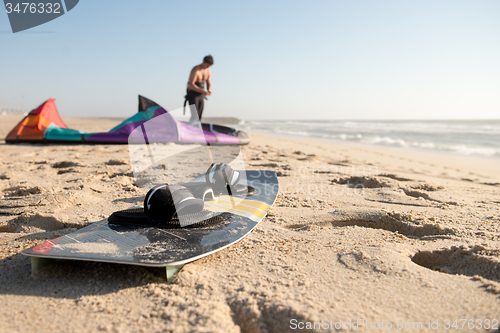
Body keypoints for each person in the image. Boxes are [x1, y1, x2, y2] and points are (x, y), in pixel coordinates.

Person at [184, 55, 213, 123]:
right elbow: (191, 84)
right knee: (195, 115)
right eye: (207, 65)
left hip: (201, 95)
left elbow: (209, 83)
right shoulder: (195, 70)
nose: (207, 67)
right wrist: (202, 91)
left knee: (199, 116)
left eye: (209, 66)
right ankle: (190, 129)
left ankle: (197, 130)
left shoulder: (208, 71)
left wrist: (209, 90)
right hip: (193, 94)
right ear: (203, 61)